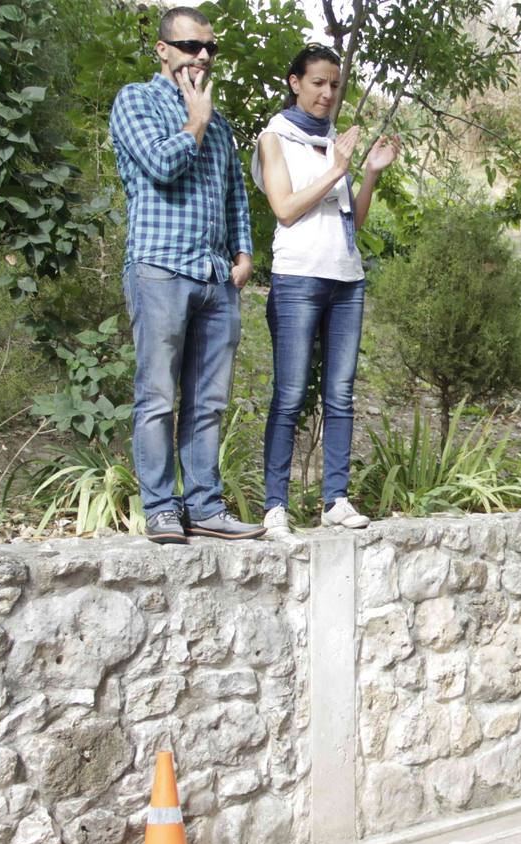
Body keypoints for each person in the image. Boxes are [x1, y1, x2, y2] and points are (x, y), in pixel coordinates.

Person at [109, 6, 265, 544]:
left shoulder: (220, 125)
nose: (202, 57)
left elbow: (235, 196)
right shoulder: (136, 101)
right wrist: (194, 121)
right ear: (163, 50)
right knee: (156, 396)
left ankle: (203, 506)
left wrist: (243, 254)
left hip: (215, 278)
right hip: (159, 269)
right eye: (191, 47)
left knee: (209, 400)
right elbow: (160, 164)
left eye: (209, 48)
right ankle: (161, 508)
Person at [251, 44, 402, 535]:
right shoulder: (275, 138)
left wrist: (370, 173)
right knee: (290, 394)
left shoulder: (333, 139)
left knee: (341, 394)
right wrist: (337, 168)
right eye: (318, 82)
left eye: (334, 84)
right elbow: (286, 209)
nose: (327, 92)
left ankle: (335, 499)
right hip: (297, 277)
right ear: (295, 82)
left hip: (346, 278)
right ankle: (275, 504)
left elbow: (350, 222)